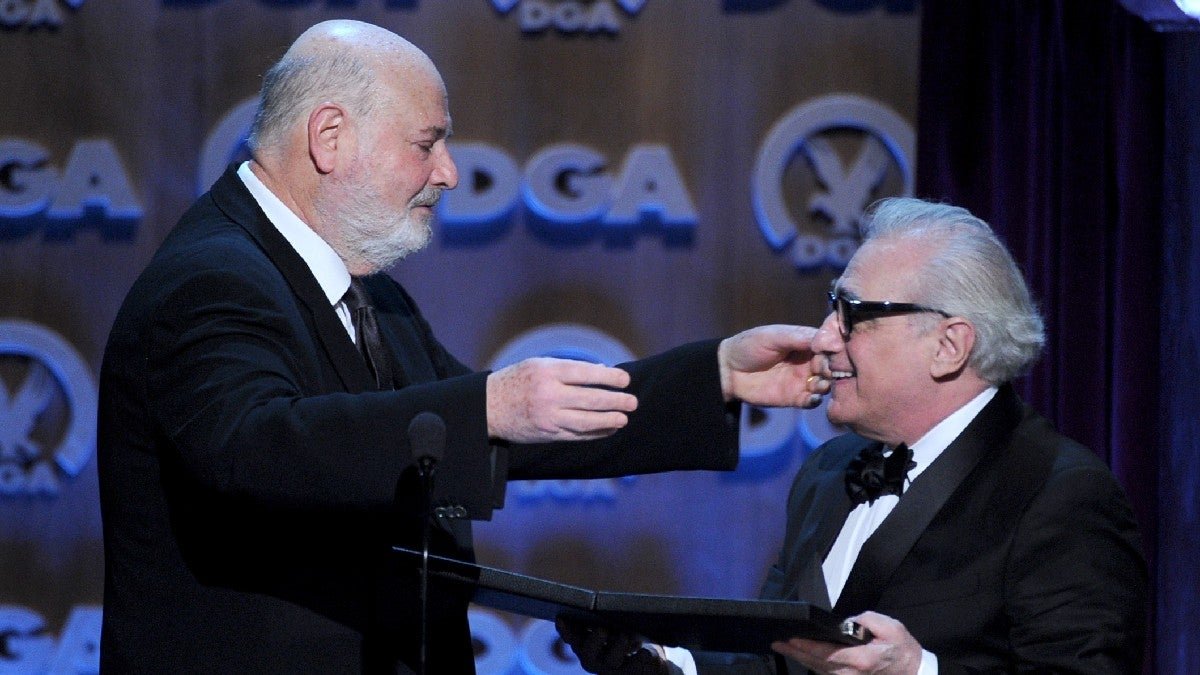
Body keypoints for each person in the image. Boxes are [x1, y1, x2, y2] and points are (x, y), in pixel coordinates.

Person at [95, 19, 830, 674]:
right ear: (329, 137)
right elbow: (260, 449)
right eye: (427, 143)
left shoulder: (367, 288)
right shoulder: (212, 280)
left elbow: (509, 425)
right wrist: (489, 406)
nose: (448, 172)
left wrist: (714, 378)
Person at [559, 198, 1147, 674]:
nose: (823, 338)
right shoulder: (828, 470)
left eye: (854, 315)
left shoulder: (1060, 494)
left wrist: (918, 673)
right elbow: (777, 661)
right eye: (831, 307)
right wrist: (667, 666)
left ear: (949, 346)